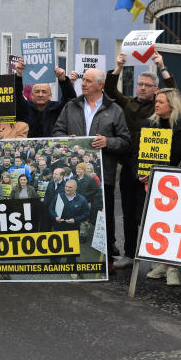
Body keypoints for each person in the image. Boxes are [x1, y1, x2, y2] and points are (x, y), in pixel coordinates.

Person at [53, 68, 130, 269]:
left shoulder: (114, 110)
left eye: (88, 81)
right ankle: (72, 256)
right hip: (74, 173)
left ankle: (106, 260)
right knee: (72, 210)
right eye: (83, 80)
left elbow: (125, 141)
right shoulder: (71, 106)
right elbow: (58, 130)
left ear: (100, 85)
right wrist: (65, 139)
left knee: (104, 215)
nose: (83, 83)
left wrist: (108, 141)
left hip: (104, 172)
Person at [105, 51, 176, 270]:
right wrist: (118, 67)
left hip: (152, 168)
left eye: (147, 85)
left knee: (150, 213)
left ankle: (157, 258)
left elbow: (173, 91)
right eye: (140, 84)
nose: (143, 88)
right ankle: (129, 253)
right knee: (128, 212)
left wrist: (162, 66)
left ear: (156, 90)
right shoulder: (127, 103)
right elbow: (109, 90)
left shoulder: (159, 106)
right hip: (129, 166)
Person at [137, 87, 181, 286]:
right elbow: (141, 155)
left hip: (177, 187)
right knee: (158, 226)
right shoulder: (149, 125)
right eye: (156, 101)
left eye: (160, 102)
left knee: (175, 227)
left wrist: (173, 176)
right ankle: (163, 263)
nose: (156, 104)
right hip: (153, 185)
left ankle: (173, 268)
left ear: (172, 105)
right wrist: (142, 173)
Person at [13, 59, 78, 138]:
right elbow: (16, 96)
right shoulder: (25, 108)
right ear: (32, 95)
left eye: (44, 92)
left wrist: (63, 80)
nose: (40, 95)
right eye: (37, 91)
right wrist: (19, 76)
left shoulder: (56, 108)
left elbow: (70, 100)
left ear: (50, 95)